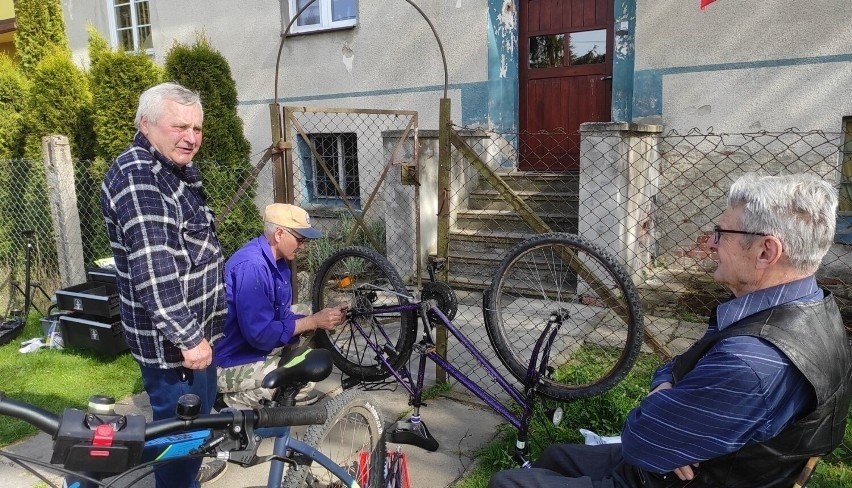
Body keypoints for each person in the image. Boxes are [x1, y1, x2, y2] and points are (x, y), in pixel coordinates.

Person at [490, 173, 852, 488]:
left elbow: (640, 439)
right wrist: (669, 397)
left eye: (721, 233)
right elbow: (677, 366)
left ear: (765, 251)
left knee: (505, 482)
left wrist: (663, 414)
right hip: (714, 466)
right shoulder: (811, 308)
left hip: (671, 480)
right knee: (554, 456)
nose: (710, 244)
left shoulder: (753, 362)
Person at [100, 82, 227, 487]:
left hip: (194, 338)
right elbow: (155, 273)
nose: (191, 138)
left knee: (192, 432)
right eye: (179, 127)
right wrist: (190, 339)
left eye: (198, 128)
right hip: (173, 348)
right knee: (180, 437)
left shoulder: (174, 169)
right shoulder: (141, 178)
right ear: (146, 123)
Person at [214, 203, 348, 409]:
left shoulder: (276, 261)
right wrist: (312, 322)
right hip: (229, 360)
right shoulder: (253, 268)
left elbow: (281, 316)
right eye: (300, 239)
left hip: (248, 343)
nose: (303, 246)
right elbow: (260, 334)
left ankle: (276, 388)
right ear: (278, 234)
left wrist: (319, 318)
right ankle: (230, 402)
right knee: (302, 377)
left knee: (309, 311)